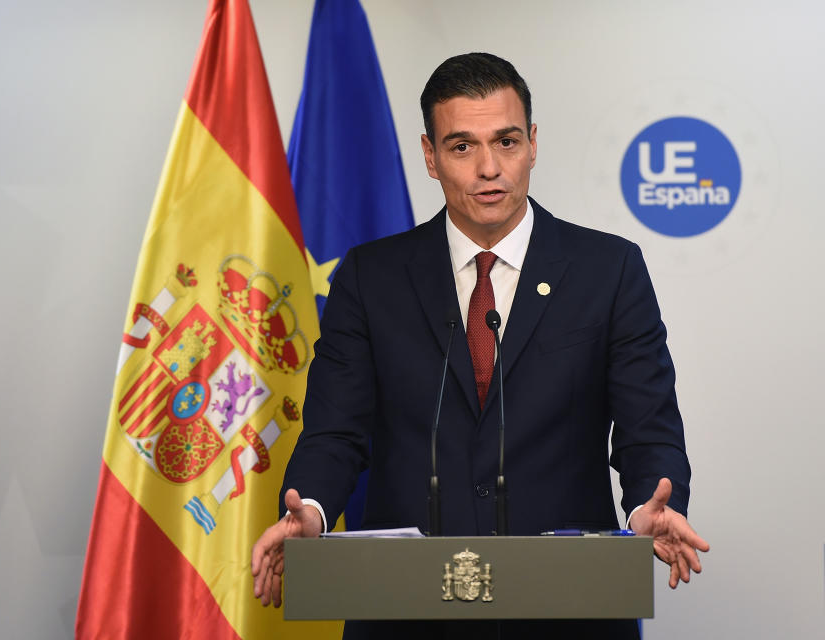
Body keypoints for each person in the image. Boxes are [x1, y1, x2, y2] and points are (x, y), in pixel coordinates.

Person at [252, 52, 709, 639]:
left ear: (534, 144)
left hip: (568, 609)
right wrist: (310, 510)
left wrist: (654, 501)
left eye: (507, 142)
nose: (489, 167)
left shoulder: (609, 269)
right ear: (430, 156)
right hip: (406, 611)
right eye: (462, 146)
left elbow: (649, 426)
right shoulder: (372, 277)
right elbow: (335, 430)